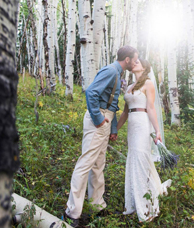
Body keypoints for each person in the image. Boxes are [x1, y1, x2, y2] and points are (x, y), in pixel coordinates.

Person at [64, 46, 138, 227]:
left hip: (105, 121)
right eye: (135, 59)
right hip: (98, 120)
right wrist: (98, 119)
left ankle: (97, 204)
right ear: (127, 59)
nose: (136, 62)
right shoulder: (111, 70)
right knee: (85, 163)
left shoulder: (118, 74)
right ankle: (72, 212)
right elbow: (91, 92)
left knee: (98, 164)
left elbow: (112, 104)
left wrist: (113, 128)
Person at [117, 58, 172, 222]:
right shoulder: (130, 86)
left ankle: (147, 207)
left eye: (137, 62)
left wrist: (157, 131)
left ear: (145, 67)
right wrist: (115, 130)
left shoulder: (148, 83)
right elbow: (126, 112)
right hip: (132, 126)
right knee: (135, 159)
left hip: (143, 124)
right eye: (133, 62)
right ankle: (135, 201)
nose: (134, 63)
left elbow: (150, 108)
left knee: (142, 159)